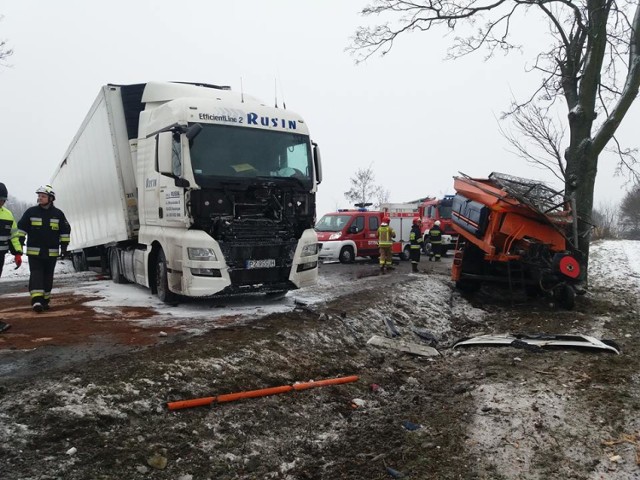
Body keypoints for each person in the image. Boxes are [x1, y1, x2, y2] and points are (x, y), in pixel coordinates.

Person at [17, 185, 71, 313]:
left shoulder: (58, 214)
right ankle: (36, 300)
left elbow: (65, 231)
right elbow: (21, 228)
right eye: (39, 196)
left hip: (51, 253)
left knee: (48, 276)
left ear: (51, 198)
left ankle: (45, 301)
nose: (40, 198)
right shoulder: (30, 212)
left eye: (43, 196)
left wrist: (64, 248)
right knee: (36, 274)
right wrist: (19, 242)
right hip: (34, 252)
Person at [0, 182, 22, 332]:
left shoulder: (7, 215)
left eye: (3, 199)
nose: (1, 202)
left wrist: (18, 253)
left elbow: (14, 236)